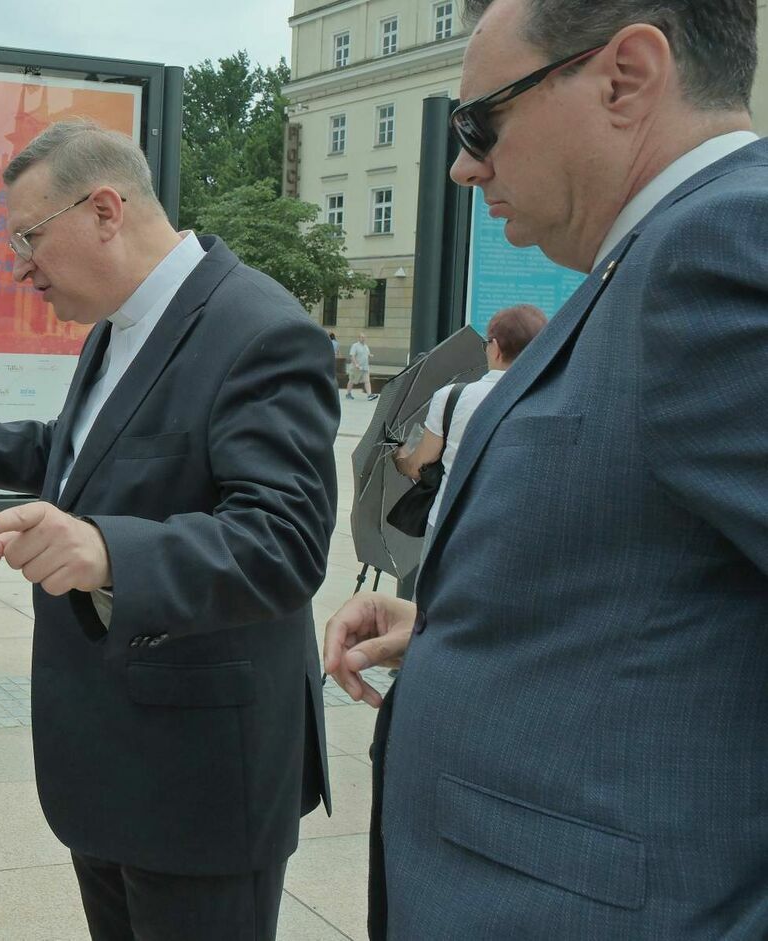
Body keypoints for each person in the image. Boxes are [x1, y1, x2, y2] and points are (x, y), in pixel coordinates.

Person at [324, 1, 768, 938]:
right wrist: (461, 625)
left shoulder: (716, 251)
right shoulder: (654, 259)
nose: (463, 165)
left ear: (627, 75)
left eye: (481, 121)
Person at [0, 120, 338, 941]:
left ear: (106, 210)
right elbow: (72, 457)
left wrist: (109, 550)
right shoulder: (120, 325)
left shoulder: (260, 328)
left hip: (201, 789)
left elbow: (285, 540)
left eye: (28, 237)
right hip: (117, 771)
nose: (20, 267)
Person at [393, 304, 547, 558]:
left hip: (450, 522)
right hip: (520, 527)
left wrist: (401, 458)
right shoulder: (548, 397)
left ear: (495, 348)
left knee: (435, 598)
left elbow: (420, 464)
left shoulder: (453, 397)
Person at [346, 332, 378, 400]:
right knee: (351, 380)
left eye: (364, 337)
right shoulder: (355, 346)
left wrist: (369, 355)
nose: (363, 339)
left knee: (367, 381)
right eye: (362, 337)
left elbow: (367, 354)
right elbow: (352, 356)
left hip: (365, 367)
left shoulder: (366, 346)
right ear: (358, 338)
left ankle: (369, 395)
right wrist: (356, 364)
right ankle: (348, 393)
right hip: (356, 368)